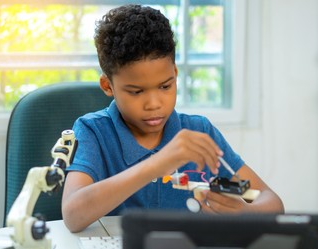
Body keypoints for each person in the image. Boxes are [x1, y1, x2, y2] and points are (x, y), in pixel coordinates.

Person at [62, 4, 284, 233]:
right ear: (108, 86)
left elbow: (269, 201)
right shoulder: (94, 133)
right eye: (136, 92)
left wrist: (246, 213)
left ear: (175, 74)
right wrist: (158, 164)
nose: (154, 103)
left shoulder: (200, 135)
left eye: (165, 86)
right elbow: (73, 214)